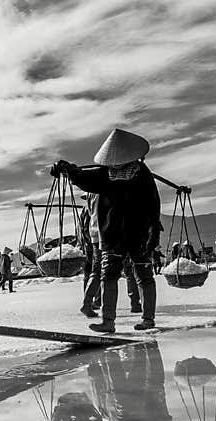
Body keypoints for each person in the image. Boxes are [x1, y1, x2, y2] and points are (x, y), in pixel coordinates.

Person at [52, 128, 162, 332]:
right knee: (108, 276)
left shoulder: (142, 174)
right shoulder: (105, 174)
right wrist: (68, 169)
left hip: (138, 233)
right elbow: (84, 178)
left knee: (144, 276)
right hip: (112, 235)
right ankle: (108, 321)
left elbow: (153, 204)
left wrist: (153, 233)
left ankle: (148, 319)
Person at [79, 198, 101, 317]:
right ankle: (93, 301)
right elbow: (86, 229)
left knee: (91, 273)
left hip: (90, 244)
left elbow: (82, 230)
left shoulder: (85, 209)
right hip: (95, 243)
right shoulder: (89, 210)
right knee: (99, 272)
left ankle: (90, 302)